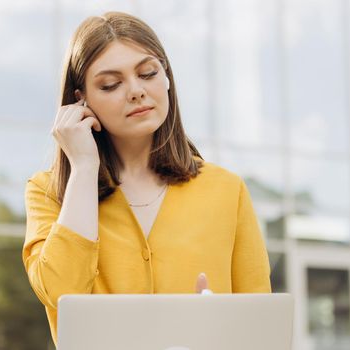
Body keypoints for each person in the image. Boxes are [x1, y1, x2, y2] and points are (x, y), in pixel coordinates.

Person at [22, 11, 271, 346]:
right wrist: (82, 169)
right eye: (111, 84)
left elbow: (261, 332)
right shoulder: (49, 192)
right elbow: (62, 294)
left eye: (148, 73)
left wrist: (219, 334)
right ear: (81, 99)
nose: (136, 91)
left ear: (166, 76)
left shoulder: (227, 191)